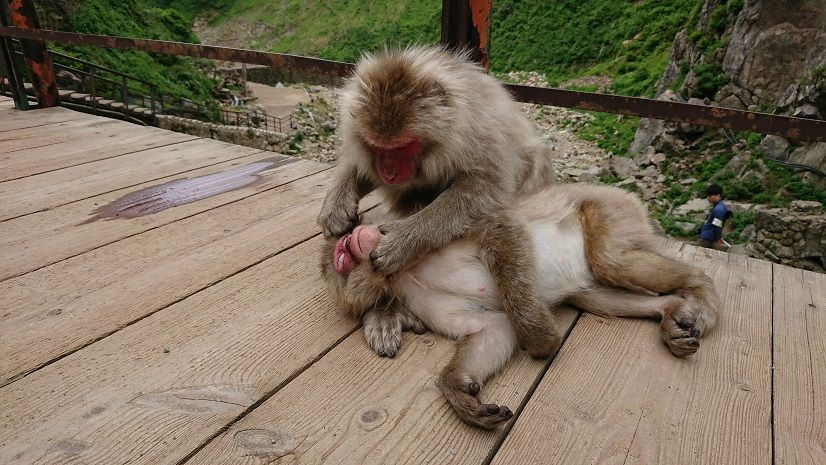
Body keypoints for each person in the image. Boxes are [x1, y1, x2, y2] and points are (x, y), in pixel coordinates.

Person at [697, 184, 731, 250]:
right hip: (707, 236)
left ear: (718, 195)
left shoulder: (718, 209)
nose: (708, 198)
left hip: (707, 239)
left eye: (710, 195)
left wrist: (718, 239)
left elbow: (717, 225)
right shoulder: (719, 206)